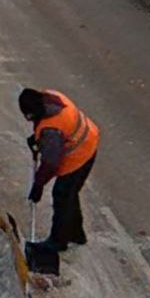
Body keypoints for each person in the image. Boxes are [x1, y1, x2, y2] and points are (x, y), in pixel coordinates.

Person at [19, 87, 100, 250]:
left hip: (79, 156)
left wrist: (38, 185)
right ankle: (76, 234)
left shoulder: (50, 130)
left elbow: (50, 163)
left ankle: (58, 241)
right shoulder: (53, 98)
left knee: (61, 195)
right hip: (89, 139)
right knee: (71, 193)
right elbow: (60, 131)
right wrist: (37, 139)